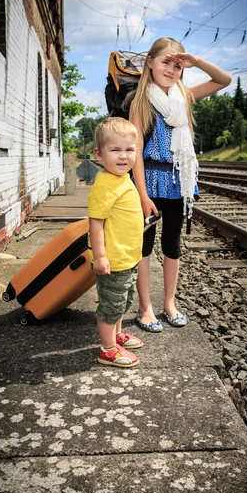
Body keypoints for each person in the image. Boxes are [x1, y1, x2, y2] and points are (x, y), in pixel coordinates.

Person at [130, 37, 231, 332]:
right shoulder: (141, 101)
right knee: (144, 247)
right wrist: (142, 194)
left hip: (177, 181)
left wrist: (195, 61)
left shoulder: (183, 96)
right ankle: (145, 307)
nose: (171, 70)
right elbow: (136, 151)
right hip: (148, 179)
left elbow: (223, 80)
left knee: (172, 244)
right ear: (150, 63)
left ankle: (169, 304)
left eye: (177, 65)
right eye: (165, 62)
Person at [88, 117, 145, 367]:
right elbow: (96, 223)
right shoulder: (104, 185)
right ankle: (108, 350)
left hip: (128, 258)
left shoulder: (122, 179)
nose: (123, 157)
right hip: (113, 260)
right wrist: (100, 256)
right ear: (99, 154)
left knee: (123, 301)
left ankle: (117, 336)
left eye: (129, 150)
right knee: (110, 307)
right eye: (115, 150)